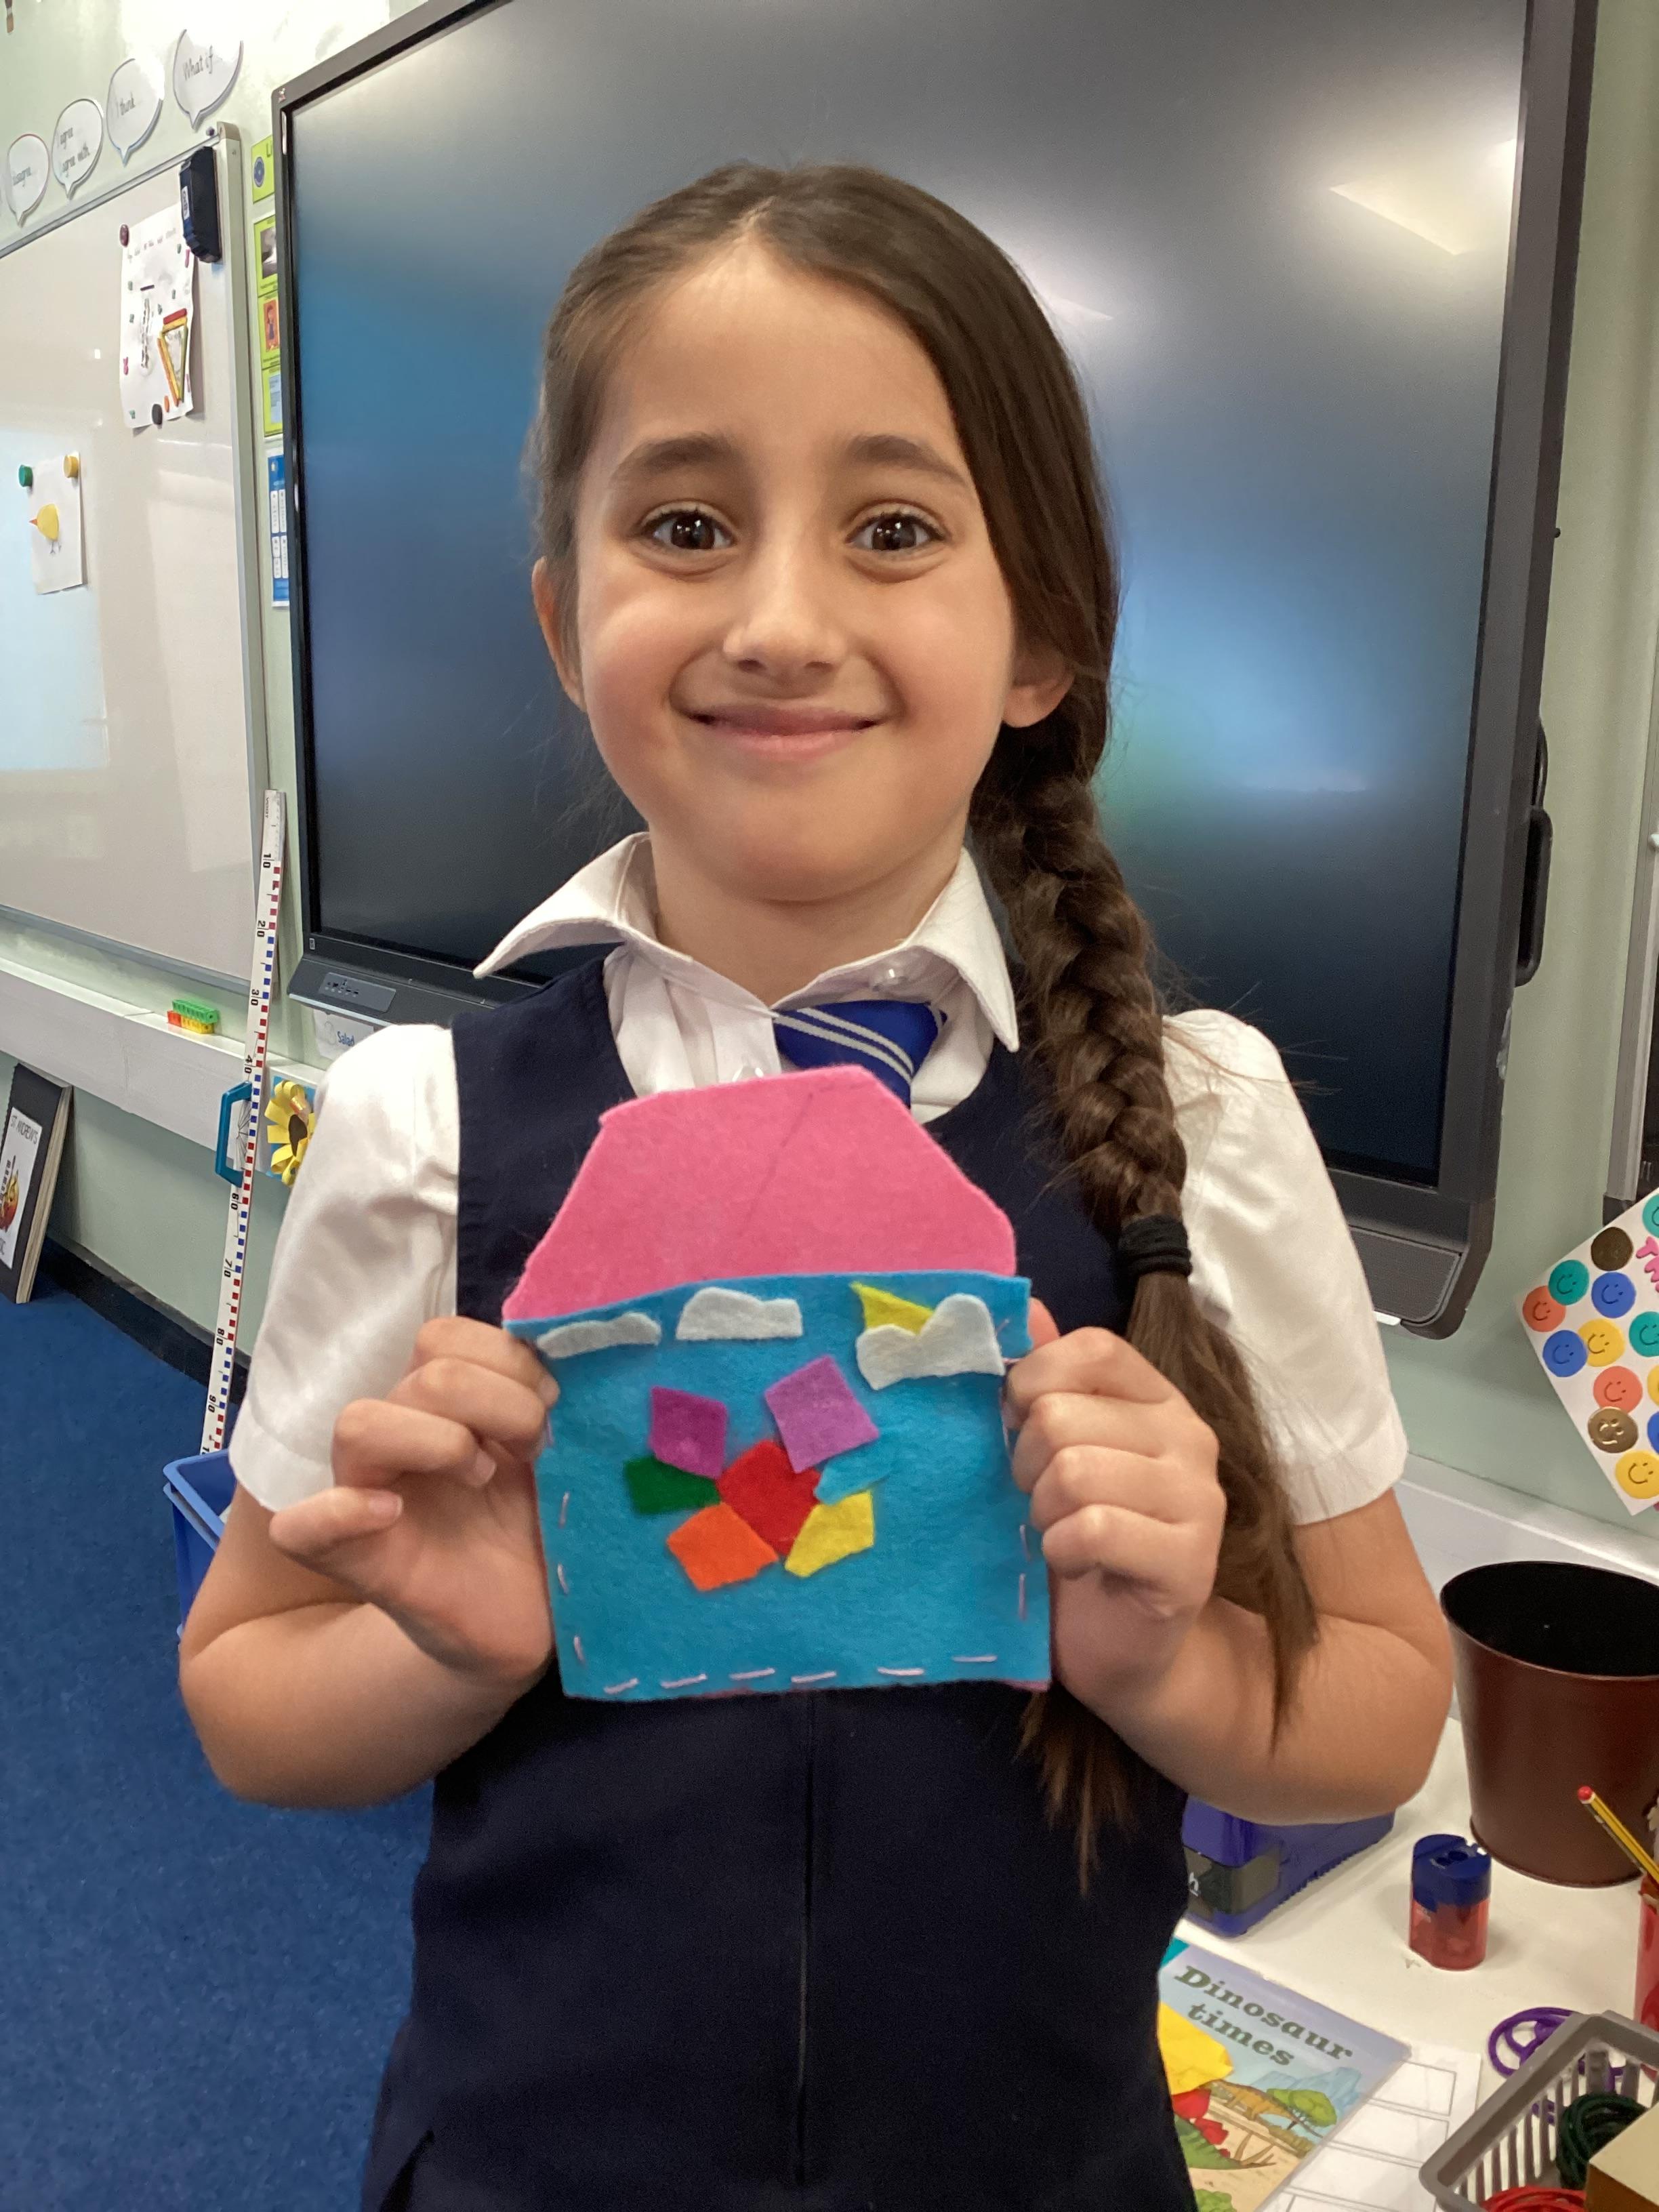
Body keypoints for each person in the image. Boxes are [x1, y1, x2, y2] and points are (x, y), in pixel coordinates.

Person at [179, 162, 1452, 2211]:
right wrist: (452, 1654)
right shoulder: (425, 1129)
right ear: (564, 615)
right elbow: (247, 1697)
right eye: (685, 526)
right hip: (534, 2169)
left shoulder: (1202, 1121)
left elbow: (1382, 1712)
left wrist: (1167, 1663)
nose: (780, 623)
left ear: (1042, 636)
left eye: (895, 529)